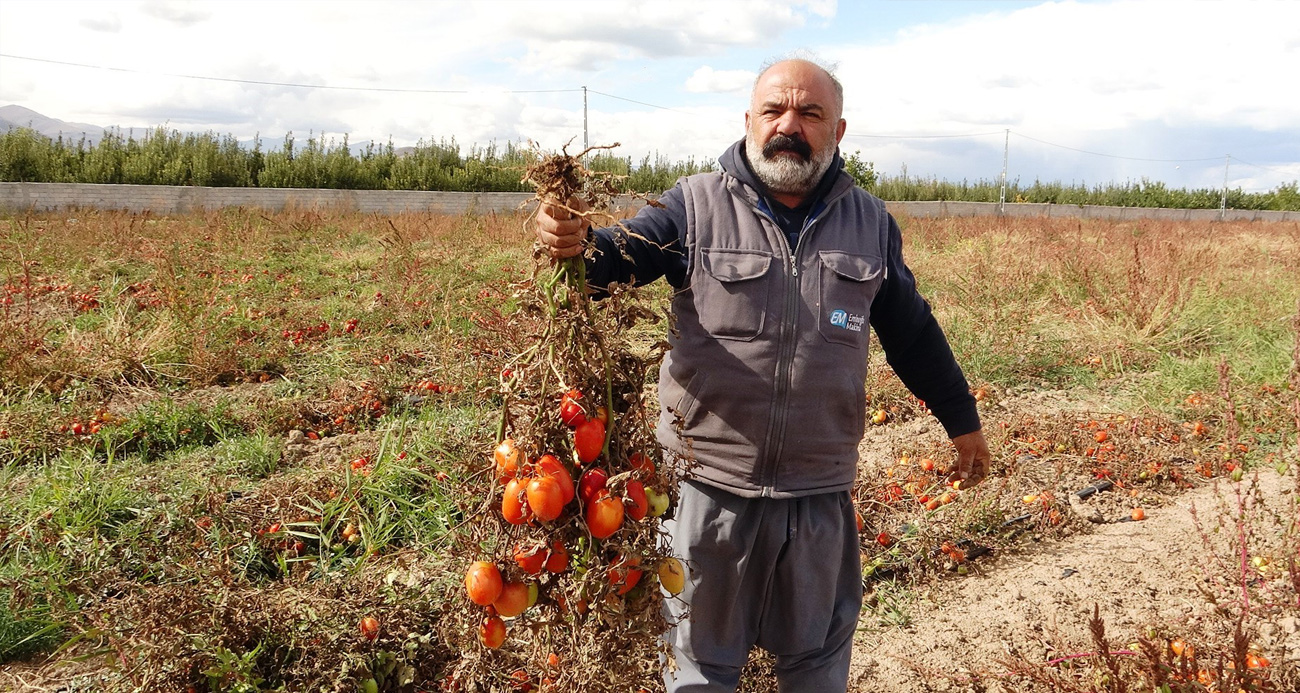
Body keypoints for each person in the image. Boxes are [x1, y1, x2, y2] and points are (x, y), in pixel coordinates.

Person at [535, 57, 991, 693]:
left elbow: (912, 334)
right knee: (700, 669)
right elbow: (624, 253)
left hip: (818, 495)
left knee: (816, 668)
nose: (789, 125)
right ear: (748, 120)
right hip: (707, 492)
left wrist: (961, 421)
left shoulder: (869, 225)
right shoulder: (692, 206)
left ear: (838, 130)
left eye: (810, 114)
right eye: (774, 110)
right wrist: (579, 245)